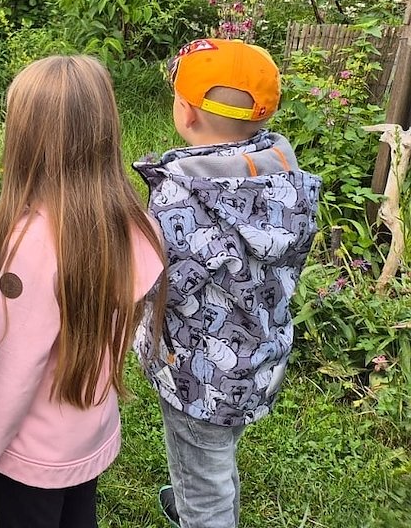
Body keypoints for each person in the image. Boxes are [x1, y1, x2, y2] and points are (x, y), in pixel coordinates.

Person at [0, 55, 166, 528]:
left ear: (24, 140)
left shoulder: (31, 247)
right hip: (87, 436)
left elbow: (11, 374)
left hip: (30, 455)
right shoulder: (135, 224)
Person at [133, 38, 320, 528]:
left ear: (187, 112)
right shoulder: (288, 181)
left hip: (198, 376)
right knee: (216, 458)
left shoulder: (181, 198)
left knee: (203, 479)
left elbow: (158, 286)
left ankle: (203, 512)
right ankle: (207, 502)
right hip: (258, 360)